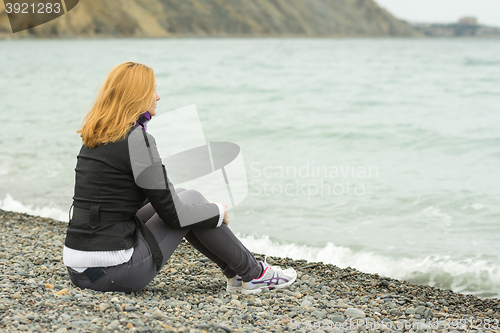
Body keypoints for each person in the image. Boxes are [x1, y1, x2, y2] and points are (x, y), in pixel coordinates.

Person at [62, 61, 297, 294]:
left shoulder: (97, 134)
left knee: (187, 196)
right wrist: (217, 212)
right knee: (192, 203)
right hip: (113, 273)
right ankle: (255, 274)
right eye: (152, 90)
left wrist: (200, 210)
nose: (158, 96)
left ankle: (238, 273)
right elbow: (175, 216)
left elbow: (132, 199)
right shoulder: (136, 139)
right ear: (136, 96)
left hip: (81, 268)